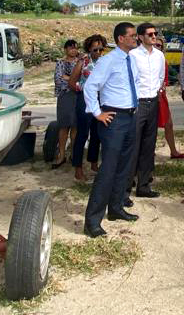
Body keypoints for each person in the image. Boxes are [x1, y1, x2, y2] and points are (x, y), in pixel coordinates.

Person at [81, 22, 140, 237]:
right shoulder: (108, 61)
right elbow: (90, 87)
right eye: (132, 36)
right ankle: (92, 221)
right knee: (108, 170)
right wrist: (97, 113)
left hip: (130, 117)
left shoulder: (131, 60)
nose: (136, 39)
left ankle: (115, 208)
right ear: (121, 39)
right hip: (113, 119)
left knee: (124, 167)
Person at [127, 22, 164, 199]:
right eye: (150, 34)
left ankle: (143, 186)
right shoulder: (133, 55)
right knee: (133, 144)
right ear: (140, 37)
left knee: (149, 144)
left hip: (153, 102)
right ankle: (126, 186)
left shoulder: (159, 56)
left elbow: (161, 78)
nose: (154, 36)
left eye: (155, 33)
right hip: (138, 103)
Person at [69, 34, 104, 181]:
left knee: (97, 134)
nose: (98, 52)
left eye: (101, 49)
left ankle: (93, 163)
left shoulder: (104, 62)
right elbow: (71, 81)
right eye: (95, 49)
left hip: (100, 100)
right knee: (82, 134)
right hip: (84, 100)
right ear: (89, 48)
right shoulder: (82, 62)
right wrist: (82, 89)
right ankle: (78, 168)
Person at [154, 35, 184, 159]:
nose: (158, 47)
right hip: (150, 96)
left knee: (168, 124)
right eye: (156, 44)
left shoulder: (162, 60)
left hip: (162, 96)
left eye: (160, 45)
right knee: (152, 126)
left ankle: (173, 151)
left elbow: (167, 77)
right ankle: (150, 150)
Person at [51, 39, 81, 169]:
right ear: (65, 49)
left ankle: (73, 154)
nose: (73, 50)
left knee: (75, 126)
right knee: (63, 127)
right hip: (64, 97)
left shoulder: (81, 63)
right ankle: (61, 154)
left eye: (75, 48)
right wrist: (74, 81)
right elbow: (58, 80)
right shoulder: (60, 63)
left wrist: (68, 78)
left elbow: (83, 79)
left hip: (78, 97)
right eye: (71, 48)